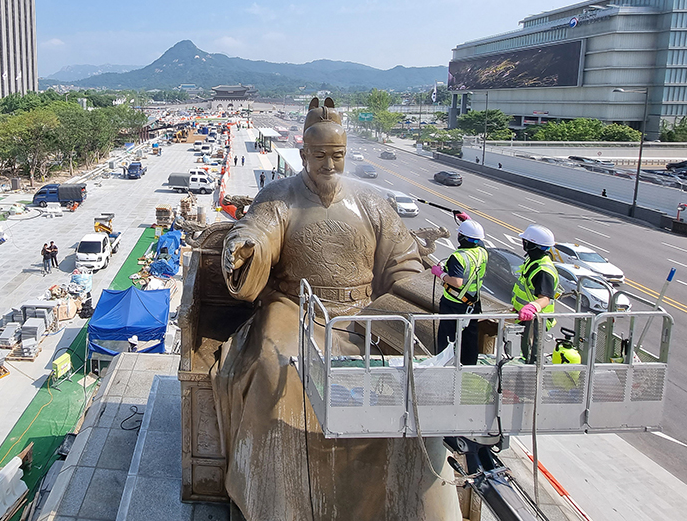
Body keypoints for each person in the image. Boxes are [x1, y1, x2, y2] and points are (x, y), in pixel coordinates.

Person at [215, 97, 459, 521]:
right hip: (295, 308)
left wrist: (411, 293)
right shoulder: (281, 197)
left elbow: (401, 261)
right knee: (279, 372)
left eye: (338, 156)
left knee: (407, 382)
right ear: (304, 154)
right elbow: (260, 229)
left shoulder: (372, 202)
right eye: (320, 156)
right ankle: (282, 503)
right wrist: (247, 245)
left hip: (362, 311)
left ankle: (399, 503)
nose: (329, 165)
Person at [431, 219, 488, 365]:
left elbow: (457, 282)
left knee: (447, 338)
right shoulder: (482, 253)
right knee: (470, 338)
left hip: (454, 304)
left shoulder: (458, 257)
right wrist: (467, 220)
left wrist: (440, 273)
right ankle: (470, 367)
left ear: (460, 237)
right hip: (473, 304)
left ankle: (444, 366)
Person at [511, 224, 560, 363]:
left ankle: (529, 380)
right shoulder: (534, 261)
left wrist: (532, 307)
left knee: (531, 355)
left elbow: (545, 298)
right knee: (523, 350)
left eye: (526, 241)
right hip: (527, 318)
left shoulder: (543, 270)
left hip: (535, 321)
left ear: (532, 244)